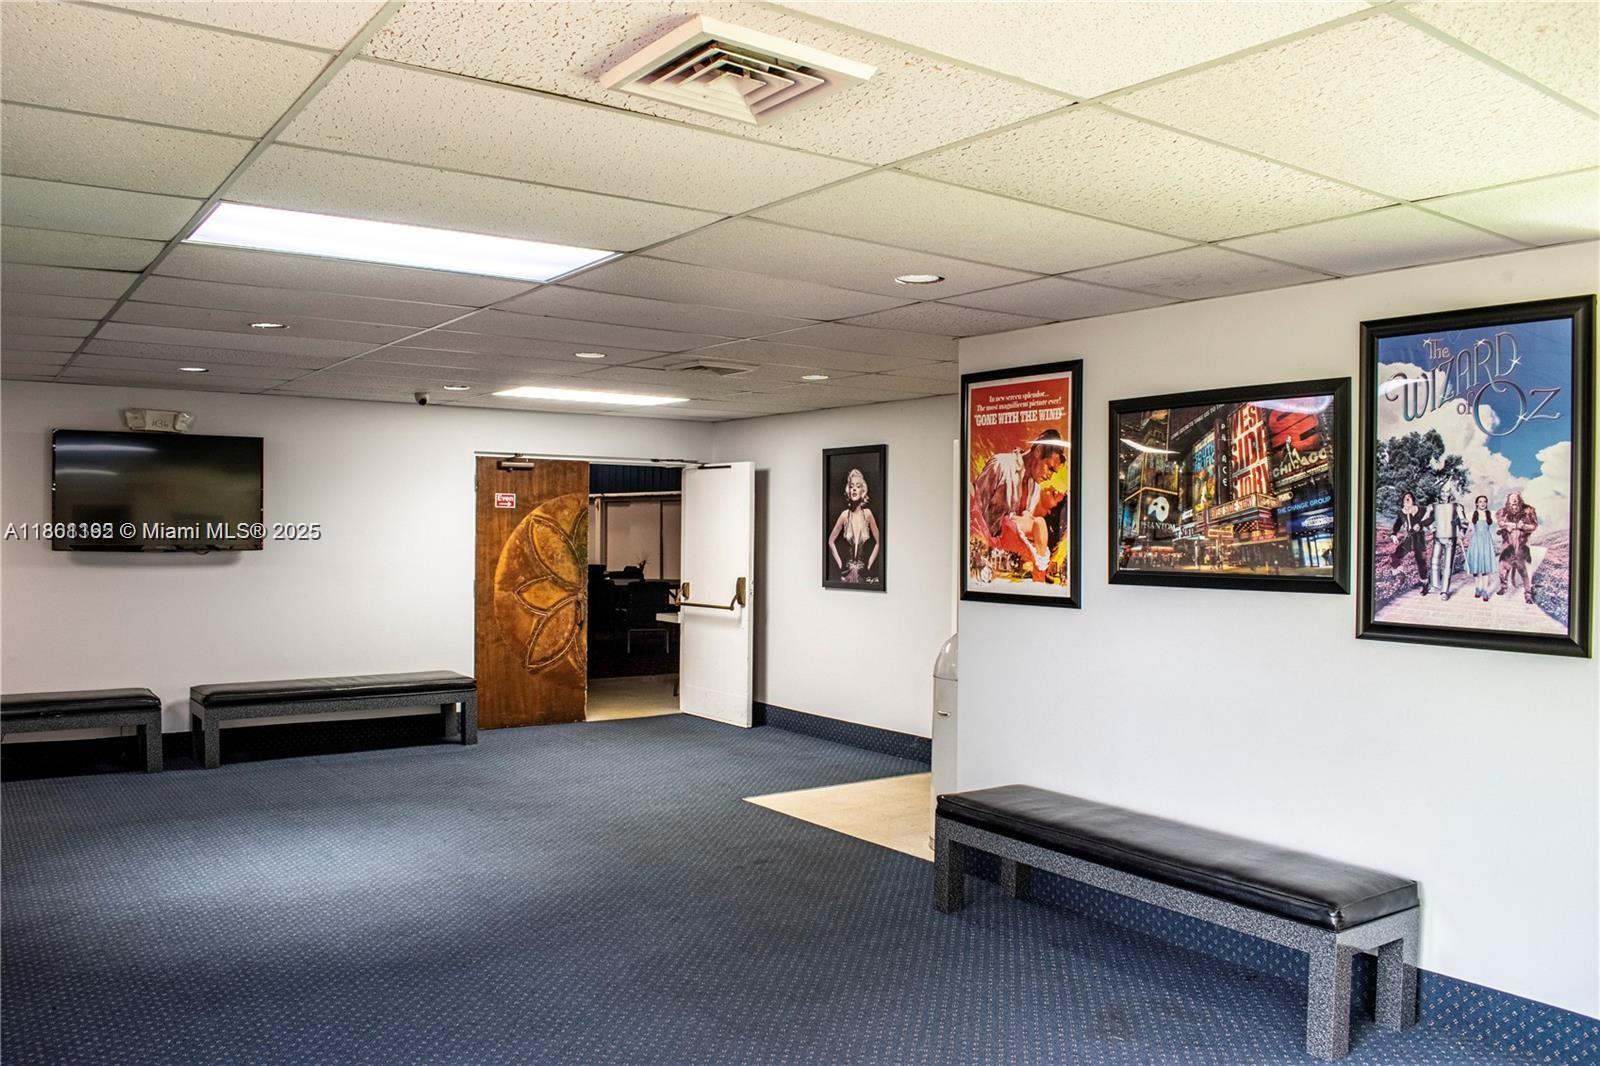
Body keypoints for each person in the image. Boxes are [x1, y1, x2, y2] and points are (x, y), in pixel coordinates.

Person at [969, 429, 1068, 582]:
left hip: (1002, 557)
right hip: (982, 551)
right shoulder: (1001, 465)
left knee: (1038, 523)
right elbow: (973, 508)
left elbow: (1021, 524)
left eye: (1053, 472)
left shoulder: (1034, 486)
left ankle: (1039, 575)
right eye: (1049, 467)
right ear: (1038, 451)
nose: (1050, 476)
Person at [827, 467, 881, 584]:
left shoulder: (868, 514)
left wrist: (869, 564)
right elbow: (830, 541)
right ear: (848, 490)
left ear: (863, 491)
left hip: (864, 576)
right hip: (845, 576)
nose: (854, 489)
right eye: (851, 486)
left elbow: (879, 541)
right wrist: (840, 564)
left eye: (858, 486)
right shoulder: (844, 515)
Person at [1496, 491, 1539, 603]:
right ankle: (1503, 587)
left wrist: (1523, 526)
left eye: (1516, 498)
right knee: (1502, 568)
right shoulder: (1502, 512)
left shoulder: (1528, 510)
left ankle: (1528, 594)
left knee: (1525, 571)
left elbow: (1534, 526)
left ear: (1520, 499)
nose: (1514, 500)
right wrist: (1506, 526)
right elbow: (1500, 524)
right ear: (1508, 500)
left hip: (1522, 546)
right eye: (1512, 498)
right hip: (1508, 546)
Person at [1428, 486, 1466, 600]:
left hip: (1450, 538)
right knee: (1434, 561)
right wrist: (1432, 527)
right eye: (1442, 491)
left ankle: (1444, 591)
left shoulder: (1457, 506)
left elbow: (1463, 520)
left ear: (1450, 493)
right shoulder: (1433, 506)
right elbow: (1426, 520)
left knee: (1448, 565)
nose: (1444, 494)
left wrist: (1462, 531)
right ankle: (1435, 585)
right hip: (1438, 537)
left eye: (1447, 492)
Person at [1389, 491, 1429, 593]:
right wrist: (1394, 534)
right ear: (1402, 501)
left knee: (1421, 561)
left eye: (1409, 497)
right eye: (1405, 498)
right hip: (1409, 538)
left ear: (1413, 500)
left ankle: (1425, 584)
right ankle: (1400, 574)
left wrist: (1421, 524)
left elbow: (1431, 518)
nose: (1407, 499)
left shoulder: (1422, 510)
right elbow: (1397, 524)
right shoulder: (1401, 512)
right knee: (1395, 556)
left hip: (1419, 539)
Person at [1465, 494, 1497, 601]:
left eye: (1484, 501)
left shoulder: (1490, 514)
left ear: (1486, 503)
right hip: (1476, 542)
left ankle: (1485, 590)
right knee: (1476, 566)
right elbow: (1468, 528)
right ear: (1476, 504)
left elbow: (1499, 525)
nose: (1482, 503)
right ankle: (1477, 588)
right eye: (1480, 501)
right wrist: (1461, 533)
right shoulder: (1472, 514)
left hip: (1486, 542)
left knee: (1485, 566)